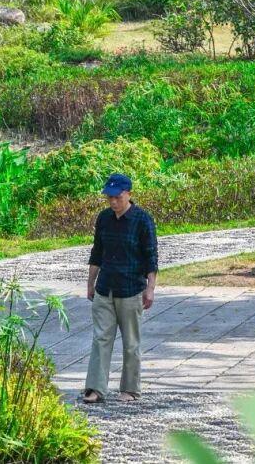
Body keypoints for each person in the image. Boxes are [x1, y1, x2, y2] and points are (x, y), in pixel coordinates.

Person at [81, 173, 158, 405]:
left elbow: (151, 257)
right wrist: (90, 283)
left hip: (131, 289)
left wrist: (150, 288)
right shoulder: (104, 218)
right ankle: (95, 388)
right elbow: (97, 252)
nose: (113, 202)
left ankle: (130, 389)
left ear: (128, 194)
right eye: (110, 197)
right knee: (100, 339)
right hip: (105, 288)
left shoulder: (142, 219)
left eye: (117, 197)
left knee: (131, 342)